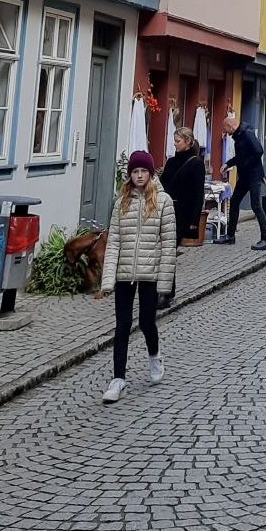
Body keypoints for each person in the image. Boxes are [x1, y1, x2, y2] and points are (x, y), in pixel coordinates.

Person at [100, 150, 177, 404]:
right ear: (130, 175)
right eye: (135, 171)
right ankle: (118, 379)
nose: (140, 176)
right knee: (122, 325)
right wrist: (107, 280)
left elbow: (168, 245)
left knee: (146, 322)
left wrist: (165, 284)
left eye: (144, 171)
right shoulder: (121, 203)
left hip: (150, 274)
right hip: (124, 273)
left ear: (151, 173)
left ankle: (154, 356)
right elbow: (113, 243)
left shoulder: (163, 202)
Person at [217, 109, 266, 250]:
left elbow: (258, 151)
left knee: (256, 206)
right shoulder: (238, 135)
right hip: (245, 176)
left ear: (230, 126)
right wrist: (228, 164)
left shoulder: (247, 133)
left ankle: (265, 240)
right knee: (234, 202)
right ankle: (230, 236)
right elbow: (241, 156)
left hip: (253, 175)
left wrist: (246, 164)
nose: (226, 133)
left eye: (226, 129)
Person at [160, 124, 206, 244]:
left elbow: (198, 193)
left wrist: (194, 220)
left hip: (183, 213)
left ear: (188, 141)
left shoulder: (196, 164)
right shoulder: (171, 162)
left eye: (178, 141)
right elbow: (162, 184)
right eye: (174, 141)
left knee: (171, 244)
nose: (175, 144)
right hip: (166, 209)